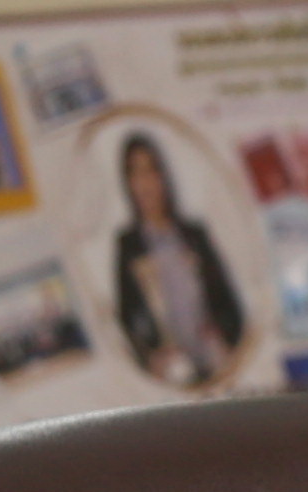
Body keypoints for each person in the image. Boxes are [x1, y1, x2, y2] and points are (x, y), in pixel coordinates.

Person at [103, 131, 246, 390]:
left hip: (216, 364)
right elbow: (126, 318)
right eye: (135, 173)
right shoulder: (128, 244)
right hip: (173, 377)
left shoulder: (193, 234)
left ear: (163, 175)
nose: (145, 183)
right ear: (128, 182)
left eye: (150, 170)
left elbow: (227, 301)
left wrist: (222, 335)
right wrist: (150, 357)